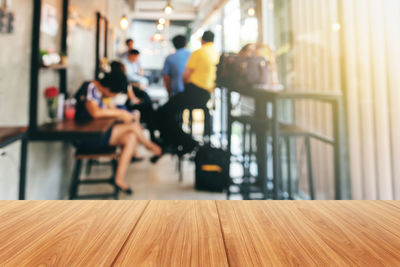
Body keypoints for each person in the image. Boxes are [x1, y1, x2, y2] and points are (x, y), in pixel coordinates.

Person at [74, 64, 162, 195]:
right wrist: (121, 114)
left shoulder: (96, 90)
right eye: (115, 93)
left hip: (97, 133)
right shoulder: (89, 87)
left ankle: (119, 178)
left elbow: (106, 108)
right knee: (131, 127)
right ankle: (150, 147)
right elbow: (95, 113)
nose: (113, 96)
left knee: (130, 137)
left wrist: (122, 114)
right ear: (109, 88)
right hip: (86, 137)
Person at [156, 31, 219, 154]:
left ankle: (185, 142)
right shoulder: (216, 54)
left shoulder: (198, 53)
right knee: (170, 112)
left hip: (193, 91)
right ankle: (183, 141)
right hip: (206, 95)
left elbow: (185, 76)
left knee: (162, 113)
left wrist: (183, 90)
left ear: (202, 40)